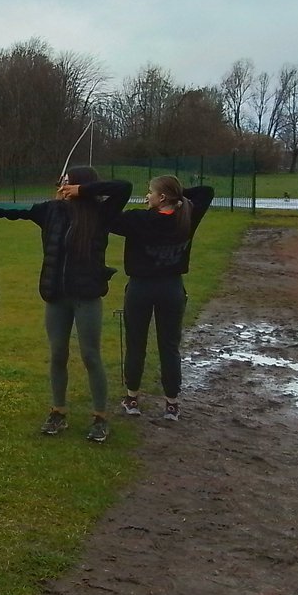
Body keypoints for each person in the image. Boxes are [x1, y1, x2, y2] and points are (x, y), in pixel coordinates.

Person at [0, 168, 132, 442]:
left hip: (86, 296)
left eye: (66, 182)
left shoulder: (101, 213)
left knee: (91, 355)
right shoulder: (50, 211)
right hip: (56, 295)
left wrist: (82, 192)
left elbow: (124, 186)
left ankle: (100, 417)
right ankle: (58, 412)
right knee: (57, 354)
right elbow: (13, 209)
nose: (60, 185)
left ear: (79, 185)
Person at [108, 175, 215, 421]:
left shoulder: (138, 219)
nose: (147, 196)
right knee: (169, 346)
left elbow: (110, 217)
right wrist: (177, 195)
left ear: (162, 197)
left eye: (151, 192)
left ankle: (132, 398)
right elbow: (206, 191)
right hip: (171, 289)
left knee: (137, 343)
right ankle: (171, 404)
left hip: (140, 289)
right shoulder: (186, 216)